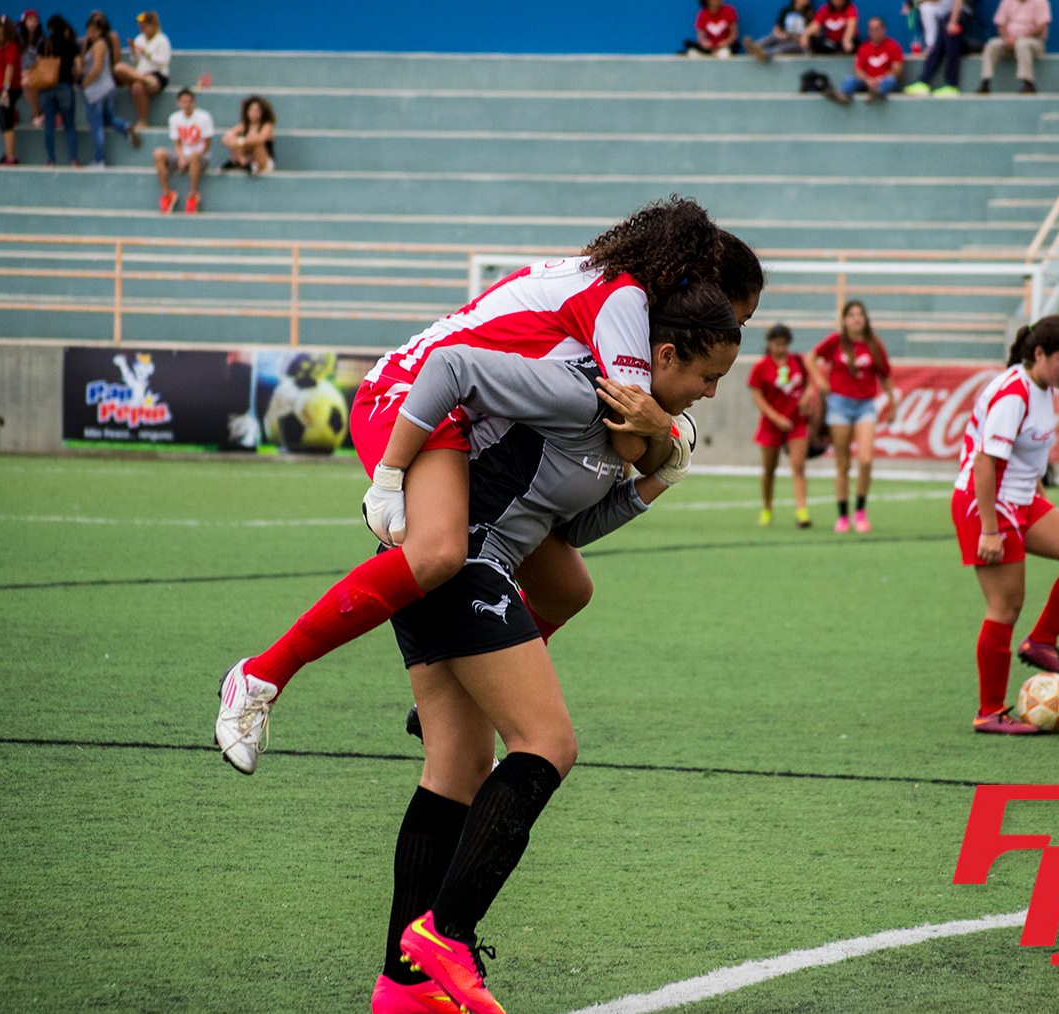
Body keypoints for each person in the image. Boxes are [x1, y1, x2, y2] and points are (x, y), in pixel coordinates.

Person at [212, 202, 762, 776]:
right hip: (413, 395)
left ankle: (467, 693)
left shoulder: (617, 287)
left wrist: (660, 441)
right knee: (438, 554)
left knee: (568, 587)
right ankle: (261, 676)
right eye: (735, 317)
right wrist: (668, 437)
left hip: (451, 402)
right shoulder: (624, 299)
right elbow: (628, 441)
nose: (730, 330)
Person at [364, 286, 737, 1014]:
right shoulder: (578, 389)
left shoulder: (626, 428)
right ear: (662, 355)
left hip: (483, 563)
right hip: (457, 558)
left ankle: (400, 989)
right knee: (547, 744)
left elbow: (571, 531)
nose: (710, 393)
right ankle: (446, 933)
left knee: (456, 770)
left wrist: (658, 477)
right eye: (705, 377)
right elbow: (448, 365)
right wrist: (387, 478)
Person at [951, 315, 1059, 734]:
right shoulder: (1014, 393)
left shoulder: (1042, 388)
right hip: (986, 504)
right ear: (1039, 354)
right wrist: (988, 529)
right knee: (1005, 607)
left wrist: (1042, 505)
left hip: (1021, 501)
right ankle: (990, 712)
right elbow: (986, 463)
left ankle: (1041, 641)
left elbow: (1027, 458)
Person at [805, 299, 897, 533]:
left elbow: (885, 375)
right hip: (839, 404)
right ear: (844, 320)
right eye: (852, 315)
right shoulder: (836, 342)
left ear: (866, 319)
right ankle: (843, 515)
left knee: (865, 459)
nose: (857, 319)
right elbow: (810, 358)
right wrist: (820, 381)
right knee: (843, 463)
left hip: (865, 405)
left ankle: (861, 511)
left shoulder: (874, 345)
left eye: (860, 315)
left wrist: (892, 402)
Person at [749, 323, 816, 528]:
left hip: (796, 423)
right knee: (769, 470)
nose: (780, 348)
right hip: (772, 425)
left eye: (783, 344)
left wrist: (807, 396)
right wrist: (777, 418)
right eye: (776, 344)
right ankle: (767, 508)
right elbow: (758, 397)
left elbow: (809, 384)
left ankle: (801, 511)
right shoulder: (761, 367)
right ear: (769, 344)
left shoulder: (798, 361)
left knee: (799, 466)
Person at [79, 11, 139, 167]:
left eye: (91, 30)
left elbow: (96, 68)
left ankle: (99, 160)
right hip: (108, 88)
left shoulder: (99, 45)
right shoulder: (96, 44)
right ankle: (125, 126)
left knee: (96, 126)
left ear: (98, 30)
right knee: (108, 118)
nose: (88, 33)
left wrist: (85, 82)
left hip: (97, 91)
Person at [153, 88, 212, 214]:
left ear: (193, 102)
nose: (186, 105)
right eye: (183, 102)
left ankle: (193, 195)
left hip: (200, 156)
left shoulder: (204, 117)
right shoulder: (174, 118)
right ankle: (167, 194)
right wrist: (181, 158)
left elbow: (207, 145)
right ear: (178, 103)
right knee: (158, 153)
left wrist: (192, 157)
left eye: (189, 101)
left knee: (195, 155)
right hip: (182, 155)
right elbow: (177, 144)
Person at [113, 10, 171, 128]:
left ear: (153, 25)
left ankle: (142, 121)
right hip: (141, 75)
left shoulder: (162, 39)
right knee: (119, 68)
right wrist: (133, 50)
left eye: (145, 26)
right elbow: (135, 60)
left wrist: (146, 54)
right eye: (141, 26)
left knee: (137, 86)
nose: (142, 29)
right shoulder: (139, 38)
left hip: (157, 75)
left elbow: (163, 61)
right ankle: (144, 80)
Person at [827, 16, 904, 103]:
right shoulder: (863, 48)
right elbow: (858, 70)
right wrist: (868, 80)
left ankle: (877, 93)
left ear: (884, 29)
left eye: (877, 29)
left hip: (884, 82)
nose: (874, 32)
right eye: (871, 29)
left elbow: (897, 71)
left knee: (891, 80)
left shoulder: (893, 46)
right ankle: (843, 95)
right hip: (867, 82)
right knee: (850, 79)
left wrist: (879, 80)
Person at [978, 0, 1050, 94]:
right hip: (1009, 40)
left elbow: (1042, 26)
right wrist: (1006, 38)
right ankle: (985, 82)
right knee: (992, 44)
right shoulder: (1007, 2)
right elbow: (1000, 24)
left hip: (1033, 41)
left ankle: (1028, 83)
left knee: (1022, 44)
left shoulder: (1040, 2)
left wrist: (1020, 38)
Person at [38, 14, 81, 168]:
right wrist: (77, 79)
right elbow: (78, 66)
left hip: (46, 87)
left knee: (49, 125)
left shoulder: (44, 43)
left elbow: (38, 64)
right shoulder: (71, 44)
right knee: (69, 125)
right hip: (65, 86)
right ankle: (74, 160)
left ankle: (50, 160)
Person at [902, 0, 966, 96]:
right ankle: (924, 81)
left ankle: (952, 85)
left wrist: (953, 22)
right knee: (926, 9)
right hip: (947, 15)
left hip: (960, 13)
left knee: (950, 38)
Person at [0, 16, 22, 166]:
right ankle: (7, 153)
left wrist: (5, 90)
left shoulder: (11, 47)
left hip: (11, 88)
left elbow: (10, 68)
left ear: (2, 29)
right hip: (3, 88)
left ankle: (11, 156)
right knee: (3, 120)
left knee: (7, 121)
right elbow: (0, 69)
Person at [743, 0, 815, 62]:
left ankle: (765, 54)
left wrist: (791, 36)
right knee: (773, 36)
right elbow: (777, 27)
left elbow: (809, 36)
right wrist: (780, 34)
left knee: (782, 47)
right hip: (785, 37)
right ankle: (754, 47)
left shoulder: (810, 13)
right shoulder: (787, 10)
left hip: (799, 43)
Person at [220, 95, 276, 174]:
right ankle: (243, 162)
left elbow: (260, 139)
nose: (253, 113)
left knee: (256, 144)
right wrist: (233, 141)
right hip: (247, 159)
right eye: (251, 110)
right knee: (235, 142)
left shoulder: (267, 126)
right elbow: (225, 138)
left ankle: (244, 163)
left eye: (257, 111)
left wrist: (240, 141)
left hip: (263, 161)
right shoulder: (243, 126)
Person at [16, 9, 44, 128]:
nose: (33, 23)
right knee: (24, 82)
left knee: (26, 83)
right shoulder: (18, 39)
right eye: (30, 20)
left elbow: (41, 61)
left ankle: (37, 113)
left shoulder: (41, 39)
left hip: (35, 73)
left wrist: (30, 71)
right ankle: (38, 113)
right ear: (24, 22)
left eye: (35, 20)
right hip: (20, 73)